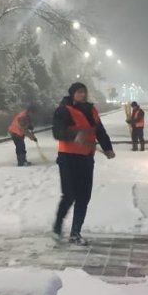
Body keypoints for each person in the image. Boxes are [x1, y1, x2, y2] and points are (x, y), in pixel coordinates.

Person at [51, 82, 114, 245]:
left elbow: (99, 130)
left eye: (84, 92)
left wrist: (107, 148)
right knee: (69, 195)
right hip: (68, 158)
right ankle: (57, 227)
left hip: (86, 158)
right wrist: (73, 136)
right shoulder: (63, 110)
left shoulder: (91, 110)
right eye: (79, 92)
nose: (82, 95)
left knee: (83, 197)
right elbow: (57, 131)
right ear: (72, 94)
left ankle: (75, 233)